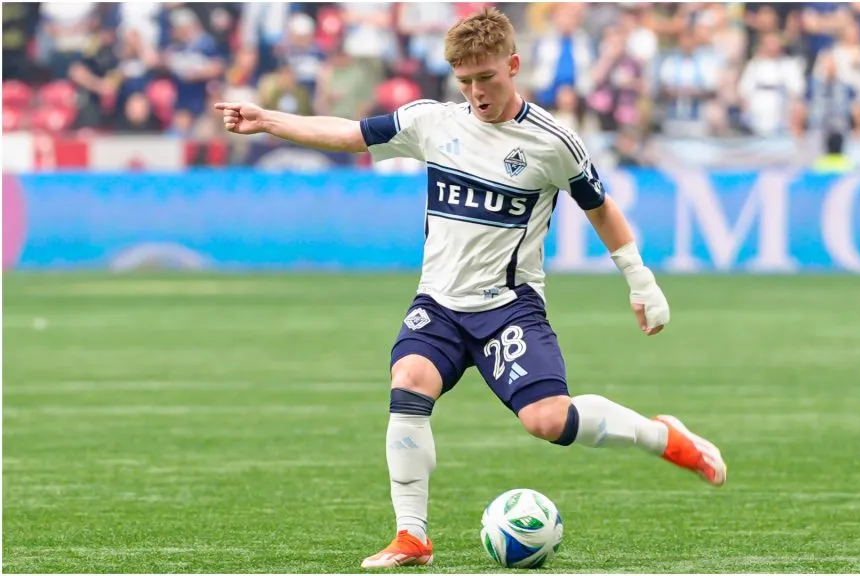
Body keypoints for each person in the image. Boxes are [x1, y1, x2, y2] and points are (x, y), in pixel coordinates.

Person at [216, 8, 726, 570]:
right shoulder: (434, 122)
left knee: (547, 421)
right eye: (465, 81)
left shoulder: (553, 142)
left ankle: (663, 437)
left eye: (487, 77)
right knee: (408, 382)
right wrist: (268, 121)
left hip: (508, 309)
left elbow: (601, 210)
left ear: (512, 65)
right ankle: (412, 537)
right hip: (438, 302)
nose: (477, 92)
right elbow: (352, 135)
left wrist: (641, 281)